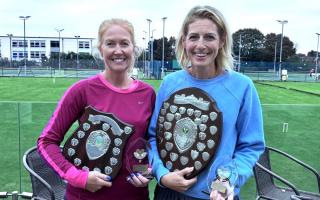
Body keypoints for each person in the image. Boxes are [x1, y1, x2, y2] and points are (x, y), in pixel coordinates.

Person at [147, 5, 265, 200]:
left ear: (222, 40)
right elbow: (153, 137)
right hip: (169, 193)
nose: (200, 45)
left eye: (209, 37)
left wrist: (224, 183)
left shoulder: (242, 87)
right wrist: (163, 175)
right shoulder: (170, 83)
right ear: (184, 41)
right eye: (193, 37)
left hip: (215, 195)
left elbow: (250, 147)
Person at [37, 18, 156, 200]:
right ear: (101, 49)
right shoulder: (81, 90)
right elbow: (47, 142)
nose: (118, 50)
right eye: (110, 44)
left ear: (133, 48)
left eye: (124, 43)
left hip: (134, 196)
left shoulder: (147, 93)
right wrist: (79, 177)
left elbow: (145, 145)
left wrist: (145, 172)